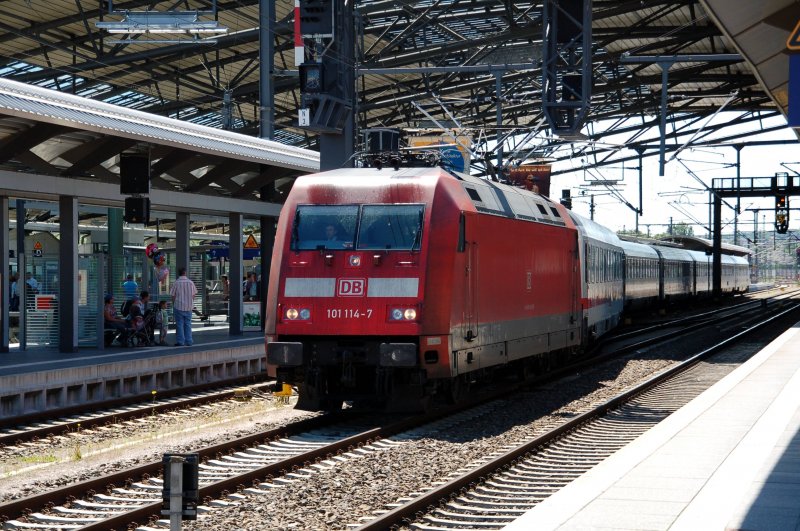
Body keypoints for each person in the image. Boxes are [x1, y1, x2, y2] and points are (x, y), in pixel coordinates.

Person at [170, 267, 197, 347]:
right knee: (188, 324)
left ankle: (180, 341)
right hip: (189, 307)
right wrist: (190, 302)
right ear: (185, 273)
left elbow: (173, 295)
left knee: (179, 324)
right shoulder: (191, 283)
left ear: (179, 273)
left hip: (178, 306)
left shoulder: (176, 283)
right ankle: (189, 341)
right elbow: (193, 295)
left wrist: (174, 304)